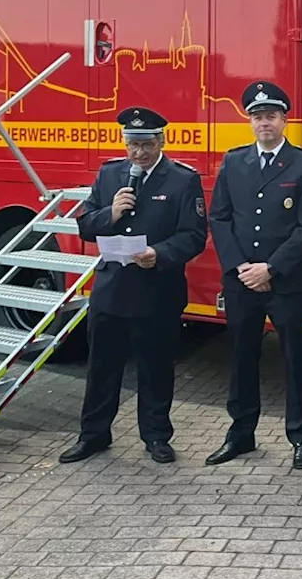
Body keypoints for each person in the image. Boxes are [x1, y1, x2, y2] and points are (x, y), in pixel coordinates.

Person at [58, 106, 207, 466]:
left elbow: (194, 235)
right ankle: (93, 435)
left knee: (155, 367)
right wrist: (111, 213)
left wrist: (160, 252)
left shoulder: (182, 180)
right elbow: (85, 225)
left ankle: (156, 435)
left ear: (160, 141)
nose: (138, 153)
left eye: (146, 145)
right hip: (111, 289)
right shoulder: (110, 175)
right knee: (102, 367)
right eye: (132, 144)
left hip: (157, 290)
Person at [206, 81, 302, 470]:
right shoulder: (234, 161)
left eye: (270, 116)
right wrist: (242, 267)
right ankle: (240, 434)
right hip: (242, 281)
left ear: (284, 119)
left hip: (287, 283)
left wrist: (270, 268)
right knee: (242, 357)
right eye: (257, 117)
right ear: (250, 122)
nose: (264, 123)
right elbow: (220, 217)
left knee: (296, 358)